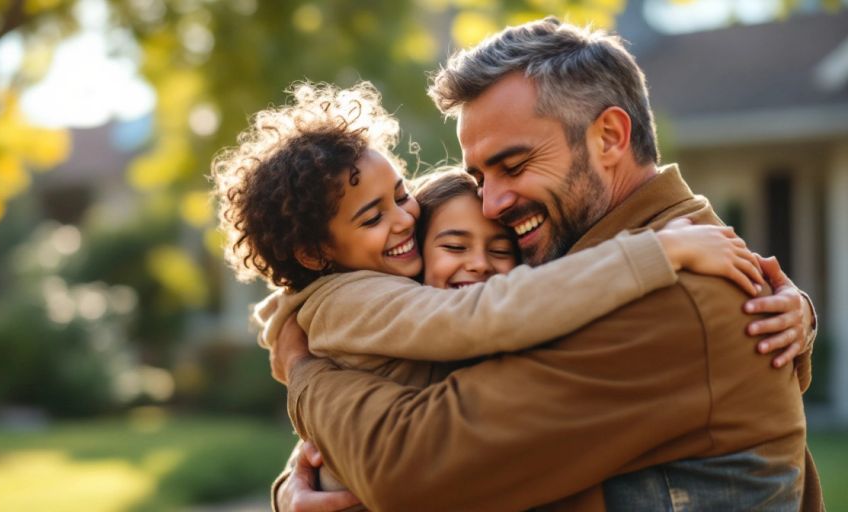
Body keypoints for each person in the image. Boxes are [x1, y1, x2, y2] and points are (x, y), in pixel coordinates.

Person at [270, 18, 821, 511]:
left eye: (514, 165)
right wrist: (306, 476)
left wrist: (303, 371)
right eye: (482, 177)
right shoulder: (596, 264)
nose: (492, 204)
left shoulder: (673, 291)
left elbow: (408, 468)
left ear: (609, 137)